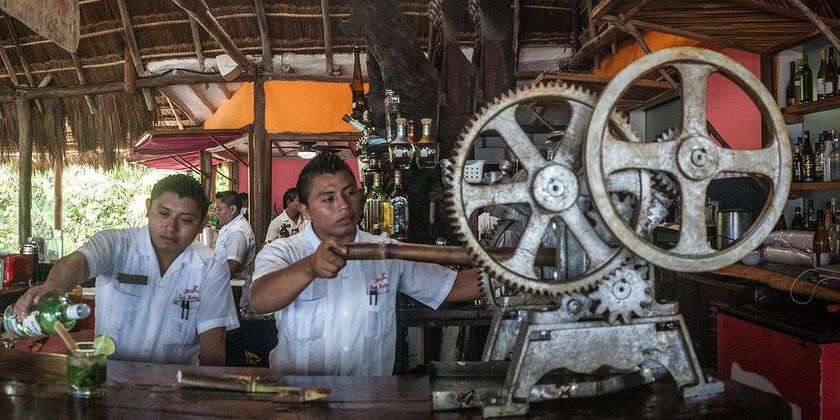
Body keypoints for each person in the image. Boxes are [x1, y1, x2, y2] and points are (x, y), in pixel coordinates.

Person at [250, 152, 480, 376]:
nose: (343, 205)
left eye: (349, 192)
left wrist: (510, 268)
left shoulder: (388, 252)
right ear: (305, 210)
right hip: (299, 404)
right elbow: (259, 300)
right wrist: (309, 267)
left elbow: (455, 286)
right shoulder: (284, 252)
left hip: (369, 401)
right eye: (328, 199)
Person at [13, 174, 239, 366]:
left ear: (202, 224)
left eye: (186, 220)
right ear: (148, 208)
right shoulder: (116, 244)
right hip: (110, 382)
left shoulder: (211, 265)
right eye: (163, 214)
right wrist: (54, 287)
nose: (171, 227)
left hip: (176, 389)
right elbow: (77, 262)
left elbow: (213, 345)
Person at [214, 191, 256, 312]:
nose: (216, 212)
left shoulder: (237, 231)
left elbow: (233, 266)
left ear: (232, 209)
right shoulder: (229, 226)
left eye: (219, 209)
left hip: (235, 291)